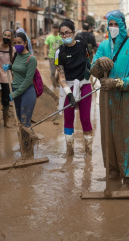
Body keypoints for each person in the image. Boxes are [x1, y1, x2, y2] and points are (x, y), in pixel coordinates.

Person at [90, 10, 129, 189]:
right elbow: (93, 70)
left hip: (126, 100)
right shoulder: (103, 47)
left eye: (116, 24)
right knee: (108, 135)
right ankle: (112, 171)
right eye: (110, 25)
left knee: (126, 136)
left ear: (122, 26)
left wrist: (118, 82)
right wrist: (99, 63)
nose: (113, 28)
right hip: (106, 98)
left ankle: (128, 177)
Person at [54, 19, 93, 157]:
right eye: (62, 34)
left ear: (73, 33)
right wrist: (69, 94)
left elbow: (89, 64)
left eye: (67, 33)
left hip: (84, 84)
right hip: (68, 86)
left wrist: (92, 72)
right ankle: (69, 151)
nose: (65, 36)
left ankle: (88, 152)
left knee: (85, 118)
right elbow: (61, 77)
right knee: (68, 118)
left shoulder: (83, 47)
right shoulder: (59, 52)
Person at [3, 31, 37, 127]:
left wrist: (16, 93)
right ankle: (25, 142)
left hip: (27, 92)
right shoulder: (16, 55)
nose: (17, 45)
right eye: (15, 43)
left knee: (25, 122)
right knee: (20, 122)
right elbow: (17, 68)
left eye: (19, 43)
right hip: (14, 89)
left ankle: (28, 142)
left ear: (25, 43)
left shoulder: (31, 59)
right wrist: (9, 66)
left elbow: (28, 79)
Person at [0, 29, 16, 127]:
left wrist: (11, 68)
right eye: (5, 35)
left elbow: (14, 64)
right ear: (2, 36)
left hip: (7, 79)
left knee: (6, 101)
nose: (6, 37)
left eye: (8, 36)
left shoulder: (12, 50)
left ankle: (6, 121)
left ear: (11, 38)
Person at [44, 23, 63, 88]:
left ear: (58, 29)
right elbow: (46, 47)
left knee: (60, 71)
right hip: (51, 57)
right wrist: (45, 54)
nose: (55, 29)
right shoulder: (49, 37)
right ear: (52, 29)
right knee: (52, 72)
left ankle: (57, 81)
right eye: (54, 28)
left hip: (59, 57)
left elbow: (64, 46)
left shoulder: (61, 37)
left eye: (56, 28)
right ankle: (55, 86)